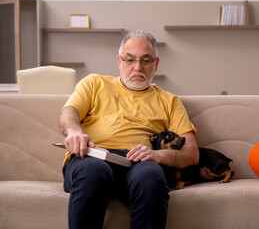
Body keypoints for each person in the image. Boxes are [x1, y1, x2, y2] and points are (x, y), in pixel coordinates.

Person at [58, 30, 199, 229]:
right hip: (94, 157)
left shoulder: (169, 101)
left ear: (156, 64)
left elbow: (192, 153)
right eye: (130, 59)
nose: (137, 67)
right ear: (119, 61)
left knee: (151, 175)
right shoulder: (94, 83)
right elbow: (68, 113)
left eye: (146, 60)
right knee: (93, 170)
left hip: (138, 164)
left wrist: (158, 155)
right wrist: (74, 131)